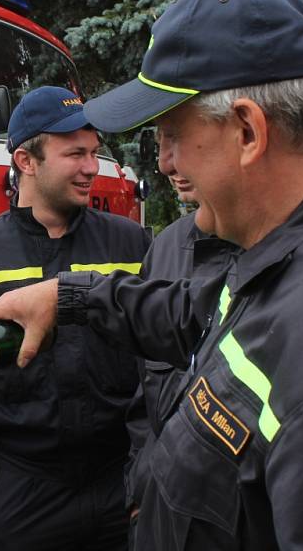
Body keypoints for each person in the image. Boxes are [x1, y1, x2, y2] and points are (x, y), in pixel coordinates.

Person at [0, 0, 303, 549]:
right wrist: (65, 296)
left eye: (172, 134)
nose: (162, 163)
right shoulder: (273, 265)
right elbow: (188, 313)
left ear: (248, 132)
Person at [0, 86, 149, 551]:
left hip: (121, 482)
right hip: (27, 492)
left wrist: (147, 474)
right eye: (75, 153)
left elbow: (160, 362)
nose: (92, 167)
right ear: (26, 161)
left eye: (94, 152)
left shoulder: (131, 246)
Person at [124, 143, 238, 548]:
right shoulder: (166, 246)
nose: (165, 163)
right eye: (160, 145)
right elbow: (145, 388)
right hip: (159, 515)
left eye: (184, 140)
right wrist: (141, 482)